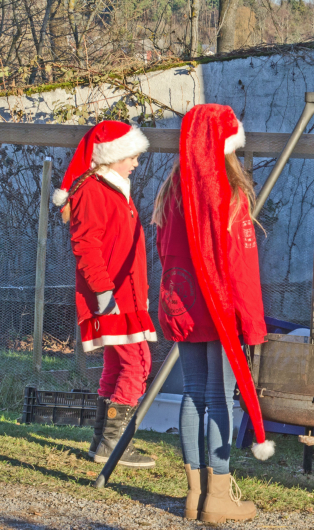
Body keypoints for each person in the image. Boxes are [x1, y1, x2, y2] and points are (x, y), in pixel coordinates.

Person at [153, 104, 274, 524]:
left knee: (193, 393)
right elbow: (241, 267)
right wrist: (251, 321)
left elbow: (164, 251)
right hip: (218, 308)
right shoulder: (228, 193)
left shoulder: (173, 189)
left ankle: (195, 495)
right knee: (220, 397)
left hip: (181, 303)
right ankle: (218, 498)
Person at [55, 120, 157, 468]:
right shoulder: (94, 191)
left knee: (117, 363)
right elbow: (86, 245)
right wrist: (103, 293)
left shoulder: (115, 188)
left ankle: (102, 441)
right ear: (111, 155)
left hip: (125, 292)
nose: (136, 163)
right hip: (111, 294)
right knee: (138, 363)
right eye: (131, 156)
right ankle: (114, 443)